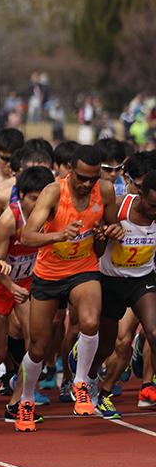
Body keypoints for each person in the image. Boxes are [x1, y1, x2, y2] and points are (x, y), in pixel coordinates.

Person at [15, 144, 121, 431]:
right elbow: (27, 235)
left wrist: (111, 232)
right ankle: (26, 401)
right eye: (82, 178)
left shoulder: (106, 191)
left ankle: (81, 382)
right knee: (38, 346)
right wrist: (60, 234)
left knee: (89, 321)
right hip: (48, 273)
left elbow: (110, 232)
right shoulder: (53, 192)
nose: (87, 184)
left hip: (83, 268)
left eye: (93, 178)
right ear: (70, 171)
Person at [0, 165, 54, 423]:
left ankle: (19, 401)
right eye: (33, 198)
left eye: (43, 198)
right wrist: (10, 287)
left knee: (37, 341)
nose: (38, 204)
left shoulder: (51, 215)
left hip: (27, 283)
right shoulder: (9, 220)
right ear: (21, 196)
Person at [90, 169, 156, 418]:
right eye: (151, 206)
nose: (154, 212)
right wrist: (104, 236)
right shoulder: (119, 207)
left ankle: (106, 393)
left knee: (153, 331)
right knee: (109, 345)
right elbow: (96, 250)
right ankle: (88, 377)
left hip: (143, 280)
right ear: (140, 194)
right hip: (111, 281)